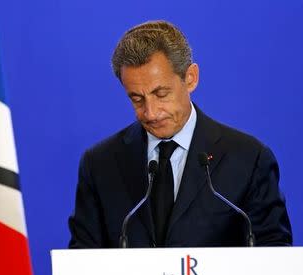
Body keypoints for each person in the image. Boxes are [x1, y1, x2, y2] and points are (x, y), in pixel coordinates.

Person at [68, 20, 292, 248]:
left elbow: (273, 255)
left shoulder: (249, 158)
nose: (151, 112)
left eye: (161, 94)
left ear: (190, 78)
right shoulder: (99, 164)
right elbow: (82, 260)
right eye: (137, 99)